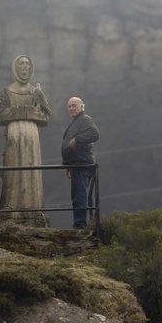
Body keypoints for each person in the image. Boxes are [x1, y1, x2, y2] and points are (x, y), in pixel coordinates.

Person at [0, 55, 52, 227]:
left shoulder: (36, 91)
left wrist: (24, 112)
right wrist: (28, 111)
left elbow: (46, 115)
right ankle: (11, 209)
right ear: (15, 68)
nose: (24, 67)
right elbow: (2, 114)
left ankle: (33, 209)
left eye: (27, 64)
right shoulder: (6, 91)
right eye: (21, 64)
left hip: (32, 135)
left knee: (31, 167)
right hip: (14, 134)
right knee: (13, 169)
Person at [61, 97, 99, 229]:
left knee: (80, 196)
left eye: (74, 105)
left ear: (82, 106)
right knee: (77, 196)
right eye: (69, 106)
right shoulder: (76, 122)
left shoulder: (85, 119)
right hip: (75, 164)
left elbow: (95, 134)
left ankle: (80, 226)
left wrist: (77, 139)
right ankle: (79, 224)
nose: (71, 108)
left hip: (83, 164)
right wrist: (68, 165)